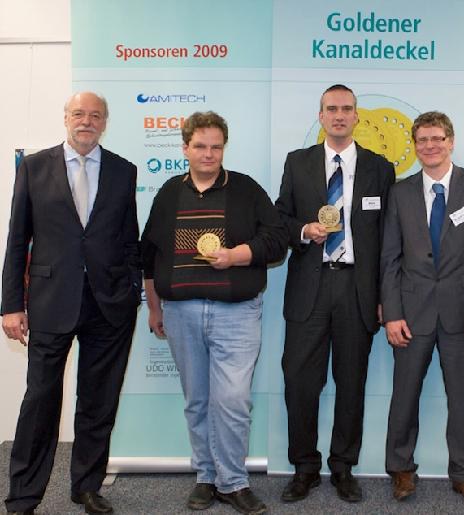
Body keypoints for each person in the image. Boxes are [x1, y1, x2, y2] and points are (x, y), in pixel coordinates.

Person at [1, 92, 141, 515]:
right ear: (66, 118)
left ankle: (87, 486)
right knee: (40, 400)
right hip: (50, 301)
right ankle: (24, 495)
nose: (87, 121)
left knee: (99, 401)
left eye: (95, 115)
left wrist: (131, 290)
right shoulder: (34, 167)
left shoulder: (123, 170)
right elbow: (17, 238)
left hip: (108, 304)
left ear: (105, 123)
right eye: (79, 113)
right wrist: (11, 305)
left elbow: (128, 238)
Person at [141, 111, 286, 514]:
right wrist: (154, 308)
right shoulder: (169, 192)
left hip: (236, 314)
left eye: (216, 147)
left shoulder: (246, 189)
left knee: (233, 401)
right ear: (185, 148)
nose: (209, 154)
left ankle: (233, 482)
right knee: (198, 401)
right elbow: (148, 255)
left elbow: (277, 240)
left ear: (224, 148)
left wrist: (237, 256)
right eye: (201, 146)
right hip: (180, 313)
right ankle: (207, 477)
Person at [275, 84, 395, 503]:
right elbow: (280, 219)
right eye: (331, 109)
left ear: (357, 116)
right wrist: (303, 230)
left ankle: (343, 467)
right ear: (321, 116)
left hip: (357, 288)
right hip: (310, 285)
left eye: (346, 109)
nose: (339, 115)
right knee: (300, 382)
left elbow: (389, 238)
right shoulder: (298, 162)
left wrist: (386, 296)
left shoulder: (380, 168)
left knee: (351, 382)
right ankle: (304, 467)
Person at [381, 111, 464, 511]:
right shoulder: (400, 192)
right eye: (422, 140)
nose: (429, 146)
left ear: (451, 141)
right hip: (410, 314)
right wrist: (392, 313)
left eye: (437, 139)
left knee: (461, 399)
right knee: (404, 396)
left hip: (463, 314)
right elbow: (389, 258)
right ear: (415, 146)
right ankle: (400, 469)